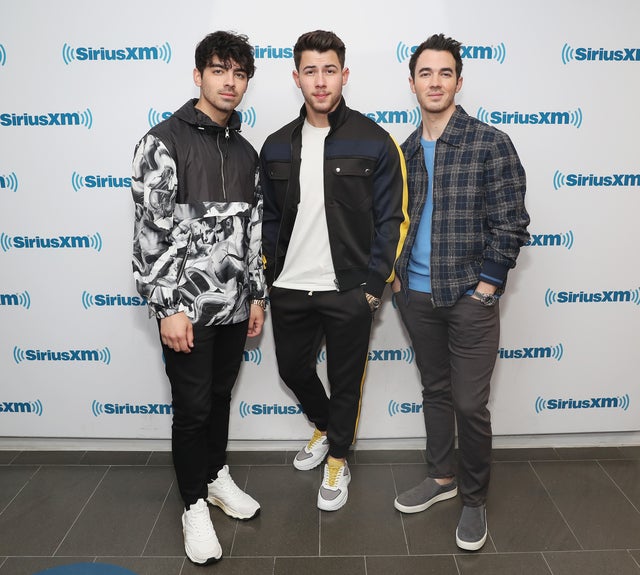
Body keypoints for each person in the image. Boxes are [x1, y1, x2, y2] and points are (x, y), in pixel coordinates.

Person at [131, 31, 266, 565]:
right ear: (198, 76)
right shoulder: (163, 141)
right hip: (186, 311)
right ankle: (193, 507)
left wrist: (256, 296)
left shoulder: (245, 148)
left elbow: (252, 230)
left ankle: (214, 478)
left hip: (235, 307)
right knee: (190, 411)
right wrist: (169, 308)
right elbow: (150, 234)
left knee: (218, 400)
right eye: (219, 70)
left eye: (238, 74)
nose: (229, 81)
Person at [260, 30, 408, 511]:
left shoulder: (374, 140)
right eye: (310, 71)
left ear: (343, 75)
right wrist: (269, 276)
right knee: (291, 368)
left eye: (329, 71)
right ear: (296, 77)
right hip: (289, 286)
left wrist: (372, 287)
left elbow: (393, 219)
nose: (320, 81)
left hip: (348, 289)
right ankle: (326, 428)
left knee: (347, 381)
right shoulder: (276, 146)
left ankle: (339, 458)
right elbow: (269, 218)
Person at [392, 34, 530, 551]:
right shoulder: (404, 151)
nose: (434, 82)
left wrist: (486, 287)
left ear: (458, 81)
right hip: (417, 298)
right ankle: (441, 478)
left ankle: (474, 499)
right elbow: (394, 222)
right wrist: (399, 279)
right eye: (425, 73)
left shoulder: (489, 142)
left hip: (470, 300)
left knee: (470, 405)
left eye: (444, 73)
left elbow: (511, 223)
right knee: (435, 392)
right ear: (412, 84)